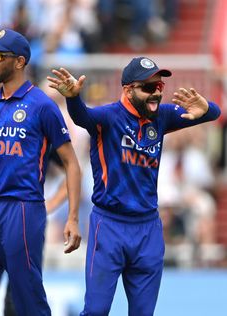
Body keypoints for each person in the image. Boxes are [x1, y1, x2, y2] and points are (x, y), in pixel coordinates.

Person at [47, 56, 221, 315]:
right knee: (95, 311)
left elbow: (213, 113)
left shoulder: (162, 117)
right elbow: (82, 116)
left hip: (148, 229)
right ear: (128, 89)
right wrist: (73, 98)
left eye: (159, 88)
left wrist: (205, 106)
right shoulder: (107, 117)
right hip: (109, 226)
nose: (156, 95)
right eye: (148, 88)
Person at [0, 29, 82, 315]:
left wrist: (71, 216)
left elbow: (71, 163)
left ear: (20, 61)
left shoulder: (42, 106)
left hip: (21, 210)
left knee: (27, 296)